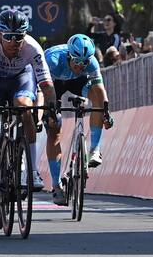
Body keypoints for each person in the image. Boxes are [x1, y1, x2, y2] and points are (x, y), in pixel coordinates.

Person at [0, 9, 57, 206]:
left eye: (19, 37)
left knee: (24, 108)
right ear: (0, 34)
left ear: (25, 35)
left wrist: (51, 110)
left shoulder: (32, 48)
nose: (14, 42)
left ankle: (32, 170)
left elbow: (47, 86)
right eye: (9, 37)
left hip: (21, 78)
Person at [44, 34, 113, 206]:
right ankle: (56, 185)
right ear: (69, 54)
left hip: (78, 83)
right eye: (76, 61)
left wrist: (105, 112)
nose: (80, 65)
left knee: (97, 101)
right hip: (53, 85)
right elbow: (44, 91)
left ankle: (95, 149)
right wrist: (50, 112)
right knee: (54, 130)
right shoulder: (52, 59)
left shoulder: (91, 62)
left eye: (84, 62)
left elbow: (100, 89)